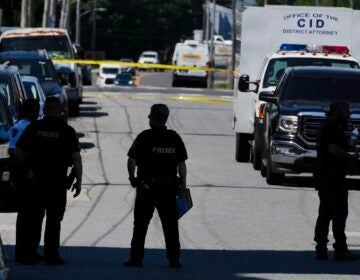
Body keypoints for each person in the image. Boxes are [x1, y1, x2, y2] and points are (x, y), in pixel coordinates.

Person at [15, 96, 82, 265]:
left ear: (44, 111)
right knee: (54, 220)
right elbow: (76, 159)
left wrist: (26, 169)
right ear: (60, 111)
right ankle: (52, 254)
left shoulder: (34, 128)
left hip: (35, 182)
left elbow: (19, 152)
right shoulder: (67, 131)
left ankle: (30, 252)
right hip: (57, 183)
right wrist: (78, 181)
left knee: (34, 218)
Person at [125, 103, 188, 268]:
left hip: (147, 188)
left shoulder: (144, 137)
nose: (148, 117)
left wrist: (132, 177)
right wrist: (183, 186)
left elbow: (131, 160)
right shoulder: (174, 138)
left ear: (154, 117)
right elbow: (182, 166)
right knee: (170, 225)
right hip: (168, 189)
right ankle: (174, 259)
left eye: (149, 115)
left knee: (140, 225)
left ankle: (136, 259)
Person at [313, 101, 359, 261]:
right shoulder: (331, 127)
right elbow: (333, 149)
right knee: (339, 212)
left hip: (325, 175)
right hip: (331, 177)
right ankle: (340, 249)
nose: (349, 114)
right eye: (346, 111)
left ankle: (321, 248)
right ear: (337, 111)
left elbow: (343, 146)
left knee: (325, 212)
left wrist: (353, 139)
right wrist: (350, 156)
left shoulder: (331, 126)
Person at [9, 98, 40, 264]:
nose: (35, 113)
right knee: (27, 216)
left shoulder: (19, 124)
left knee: (29, 216)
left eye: (36, 109)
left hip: (22, 173)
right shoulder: (26, 126)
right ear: (26, 111)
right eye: (33, 110)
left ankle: (29, 250)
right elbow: (16, 151)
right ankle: (24, 252)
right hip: (25, 175)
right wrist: (28, 169)